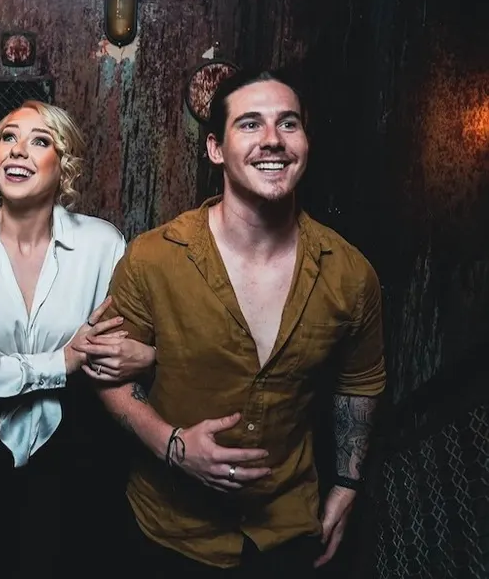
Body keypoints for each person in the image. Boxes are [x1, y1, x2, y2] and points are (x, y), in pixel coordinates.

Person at [79, 69, 386, 577]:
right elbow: (107, 372)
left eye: (288, 123)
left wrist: (348, 484)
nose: (273, 139)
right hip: (169, 531)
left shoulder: (350, 274)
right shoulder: (154, 258)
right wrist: (172, 445)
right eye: (250, 124)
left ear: (306, 143)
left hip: (287, 530)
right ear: (215, 149)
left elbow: (360, 383)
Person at [0, 100, 156, 577]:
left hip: (81, 442)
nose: (18, 150)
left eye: (39, 140)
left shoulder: (102, 245)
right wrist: (61, 361)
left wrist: (146, 355)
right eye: (8, 137)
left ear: (64, 165)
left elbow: (116, 348)